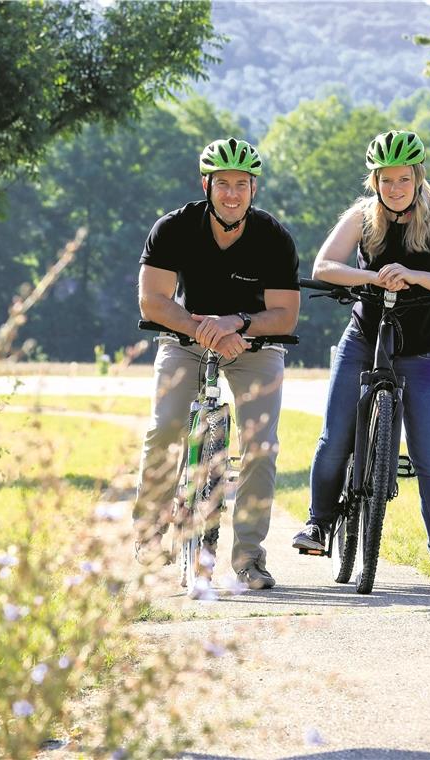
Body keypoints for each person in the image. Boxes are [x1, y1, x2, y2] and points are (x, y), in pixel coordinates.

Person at [291, 130, 430, 590]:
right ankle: (319, 522)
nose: (394, 189)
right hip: (364, 338)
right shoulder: (362, 216)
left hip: (426, 349)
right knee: (335, 436)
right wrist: (374, 277)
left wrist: (413, 275)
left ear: (418, 178)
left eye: (403, 179)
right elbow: (323, 267)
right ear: (374, 181)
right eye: (385, 180)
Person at [134, 137, 300, 590]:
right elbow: (152, 302)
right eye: (223, 183)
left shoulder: (273, 237)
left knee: (260, 446)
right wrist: (202, 328)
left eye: (241, 184)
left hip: (253, 344)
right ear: (205, 185)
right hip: (186, 335)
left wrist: (238, 324)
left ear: (254, 189)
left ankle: (249, 558)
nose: (232, 194)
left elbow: (285, 314)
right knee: (165, 427)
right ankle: (149, 541)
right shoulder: (173, 228)